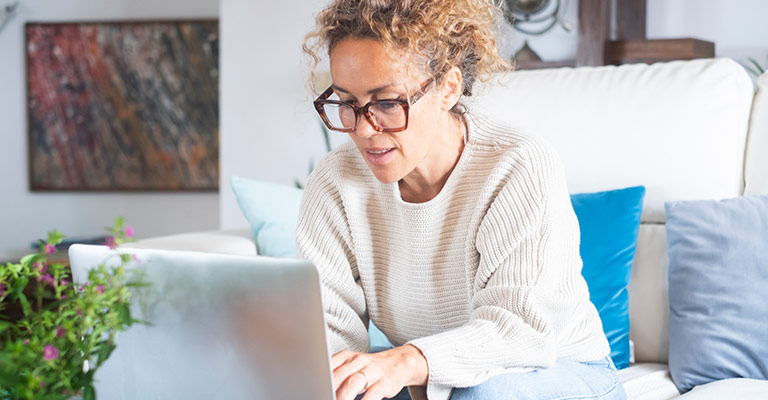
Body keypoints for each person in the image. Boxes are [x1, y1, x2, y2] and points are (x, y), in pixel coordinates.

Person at [298, 1, 627, 399]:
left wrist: (407, 362)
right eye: (348, 104)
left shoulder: (517, 165)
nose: (365, 130)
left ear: (448, 88)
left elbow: (518, 329)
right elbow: (328, 335)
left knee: (480, 396)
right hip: (434, 371)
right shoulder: (336, 181)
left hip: (559, 368)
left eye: (386, 103)